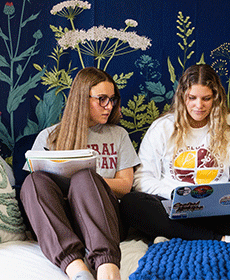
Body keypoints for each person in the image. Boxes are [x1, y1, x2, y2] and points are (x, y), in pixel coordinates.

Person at [120, 64, 230, 244]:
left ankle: (189, 234)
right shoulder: (162, 127)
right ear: (181, 97)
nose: (198, 106)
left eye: (206, 98)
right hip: (176, 210)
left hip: (222, 209)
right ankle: (225, 238)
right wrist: (175, 194)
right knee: (131, 204)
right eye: (192, 98)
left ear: (216, 98)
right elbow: (142, 178)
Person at [20, 67, 140, 280]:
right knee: (33, 182)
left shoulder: (118, 134)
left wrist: (88, 179)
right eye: (101, 99)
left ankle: (107, 269)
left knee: (85, 178)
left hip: (103, 219)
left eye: (112, 99)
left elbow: (125, 185)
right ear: (82, 98)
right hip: (62, 222)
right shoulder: (49, 137)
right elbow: (35, 197)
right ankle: (78, 271)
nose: (109, 106)